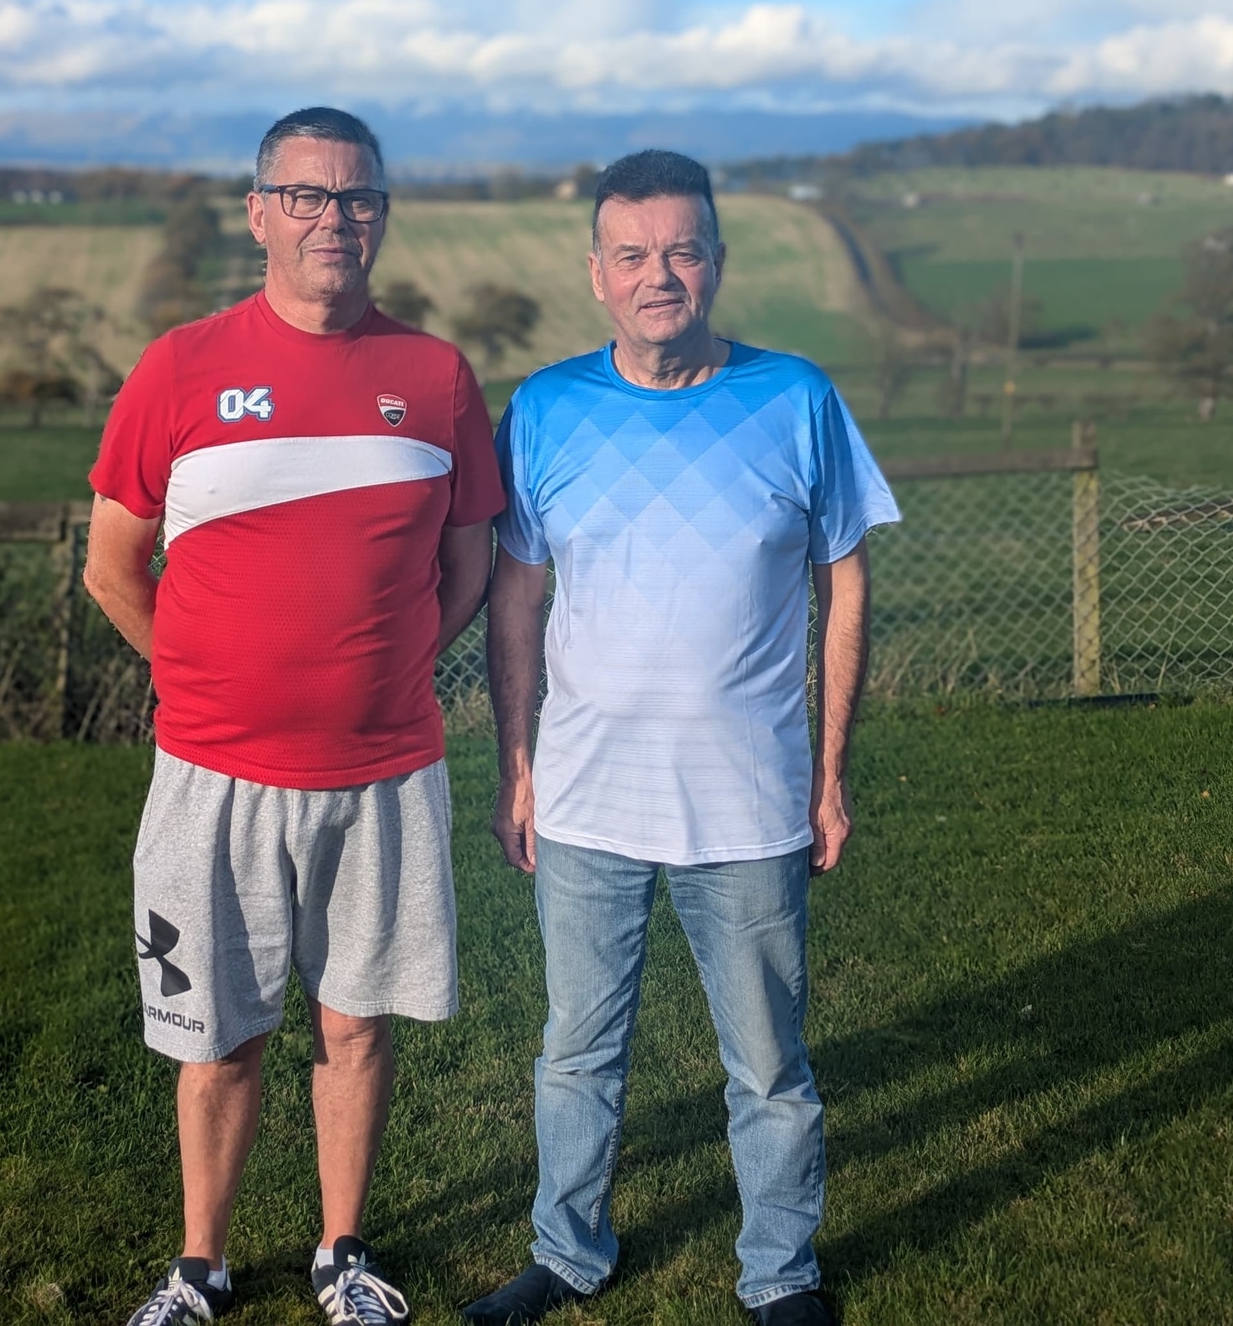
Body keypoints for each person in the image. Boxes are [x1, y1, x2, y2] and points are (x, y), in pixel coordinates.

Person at [463, 150, 899, 1326]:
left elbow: (844, 584)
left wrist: (830, 773)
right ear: (597, 273)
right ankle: (566, 1252)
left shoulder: (798, 397)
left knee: (768, 1066)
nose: (662, 274)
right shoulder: (546, 409)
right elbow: (516, 595)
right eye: (635, 253)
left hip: (751, 801)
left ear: (716, 260)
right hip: (588, 800)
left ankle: (782, 1272)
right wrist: (517, 762)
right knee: (574, 1054)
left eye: (685, 249)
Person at [84, 106, 503, 1326]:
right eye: (308, 195)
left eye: (358, 195)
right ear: (259, 210)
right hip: (210, 773)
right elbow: (115, 564)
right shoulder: (180, 366)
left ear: (383, 212)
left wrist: (389, 665)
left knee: (357, 1024)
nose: (336, 217)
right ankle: (200, 1262)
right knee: (216, 1035)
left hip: (383, 771)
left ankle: (341, 1252)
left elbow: (469, 568)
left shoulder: (436, 376)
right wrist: (199, 677)